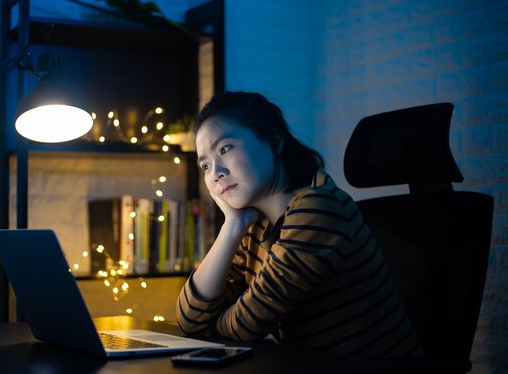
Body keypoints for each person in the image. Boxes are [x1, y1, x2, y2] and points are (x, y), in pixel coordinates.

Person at [176, 91, 423, 358]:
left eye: (225, 149)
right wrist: (232, 226)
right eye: (205, 166)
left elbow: (245, 326)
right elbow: (191, 320)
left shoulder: (319, 207)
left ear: (274, 141)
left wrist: (216, 322)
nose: (216, 173)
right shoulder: (252, 225)